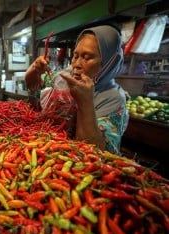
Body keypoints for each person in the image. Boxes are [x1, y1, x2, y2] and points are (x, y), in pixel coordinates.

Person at [25, 25, 129, 154]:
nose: (77, 65)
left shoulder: (113, 99)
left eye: (87, 57)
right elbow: (33, 86)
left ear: (110, 62)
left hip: (73, 165)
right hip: (44, 150)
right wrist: (35, 70)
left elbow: (95, 154)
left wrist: (85, 103)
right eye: (76, 56)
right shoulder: (64, 78)